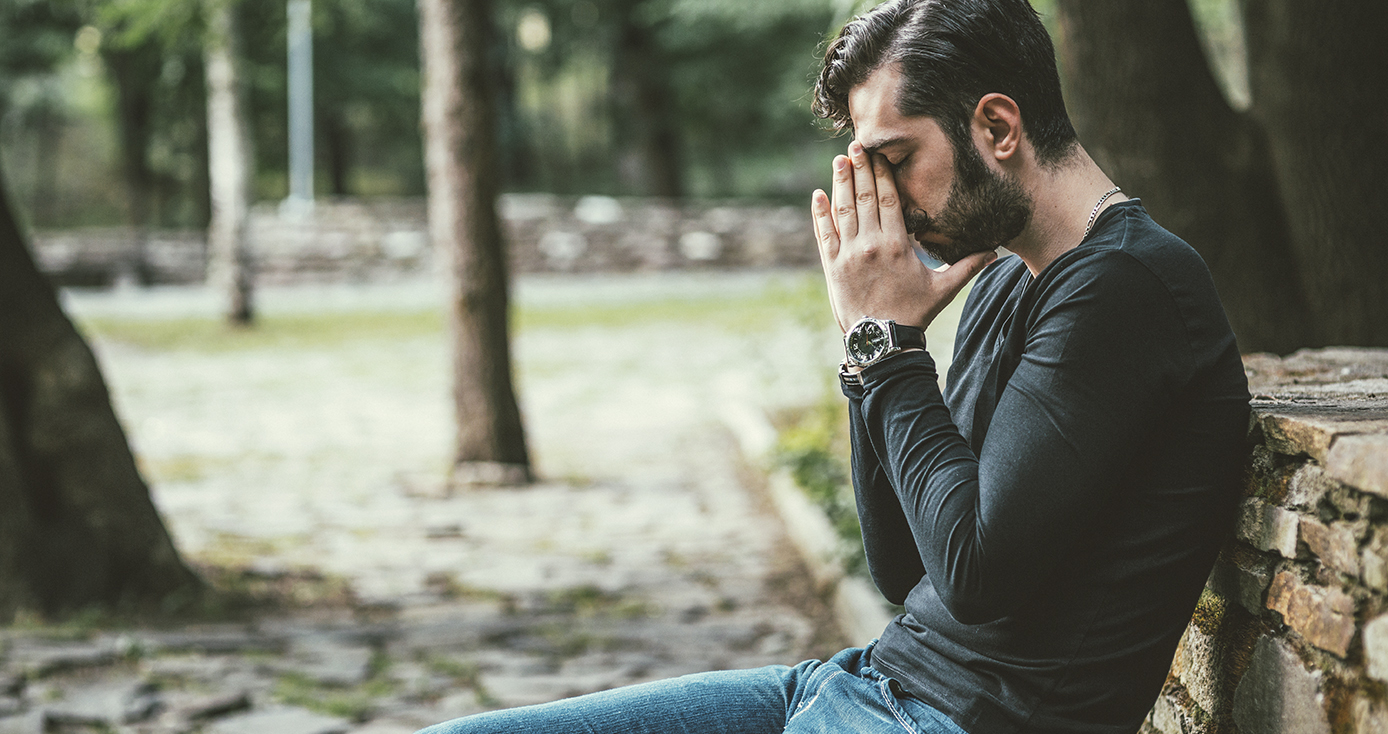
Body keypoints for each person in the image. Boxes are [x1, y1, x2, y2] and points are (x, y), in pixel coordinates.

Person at [416, 1, 1250, 732]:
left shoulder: (1127, 283)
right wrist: (865, 343)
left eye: (895, 158)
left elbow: (973, 573)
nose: (881, 200)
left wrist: (886, 343)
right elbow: (900, 565)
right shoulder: (1007, 280)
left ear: (997, 128)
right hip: (858, 685)